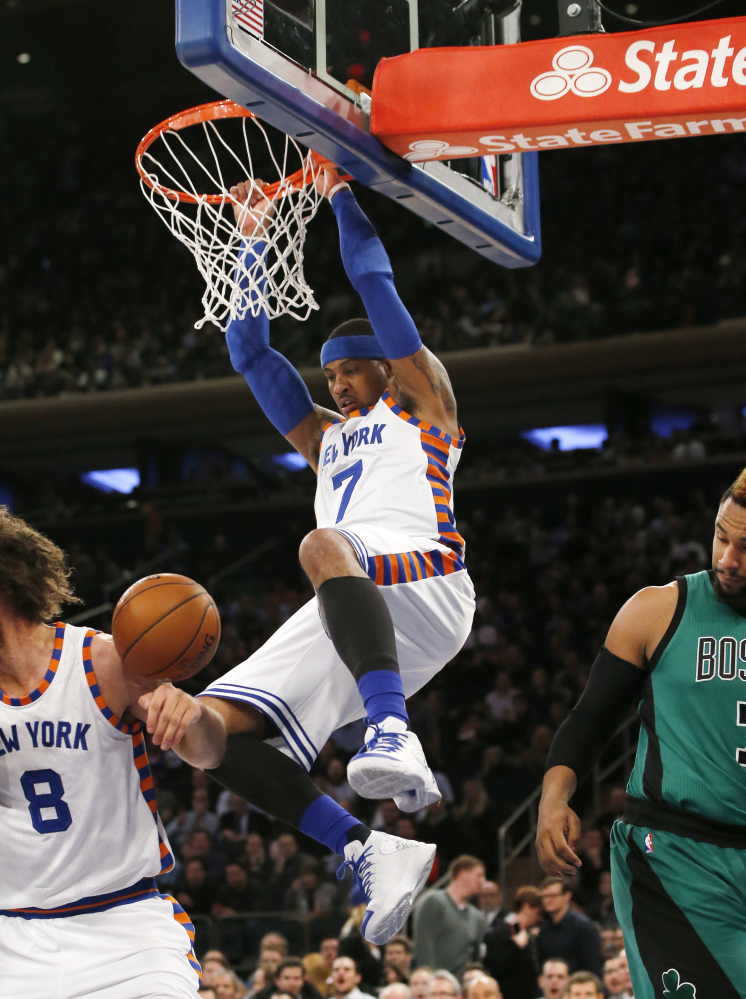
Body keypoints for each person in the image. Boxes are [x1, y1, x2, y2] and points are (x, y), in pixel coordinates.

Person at [159, 169, 476, 941]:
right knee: (205, 731)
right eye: (329, 375)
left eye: (349, 371)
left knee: (321, 544)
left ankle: (392, 728)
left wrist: (337, 191)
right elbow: (249, 350)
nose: (335, 385)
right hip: (351, 593)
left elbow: (373, 279)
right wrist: (254, 234)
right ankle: (367, 847)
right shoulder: (323, 442)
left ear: (387, 368)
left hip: (428, 574)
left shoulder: (425, 405)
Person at [537, 451, 746, 999]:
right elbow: (591, 718)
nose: (728, 557)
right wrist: (554, 799)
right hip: (675, 853)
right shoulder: (657, 609)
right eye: (721, 537)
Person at [0, 508, 201, 998]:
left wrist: (193, 716)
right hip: (14, 939)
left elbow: (210, 752)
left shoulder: (102, 660)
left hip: (126, 926)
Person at [412, 856, 487, 975]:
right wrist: (431, 981)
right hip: (435, 986)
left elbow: (475, 959)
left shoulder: (477, 916)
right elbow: (424, 946)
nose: (483, 881)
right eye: (479, 875)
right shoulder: (433, 901)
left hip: (462, 987)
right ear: (463, 874)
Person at [485, 885, 543, 999]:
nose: (539, 918)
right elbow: (493, 966)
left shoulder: (526, 932)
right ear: (526, 907)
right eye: (538, 913)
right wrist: (516, 947)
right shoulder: (503, 931)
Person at [536, 879, 601, 976]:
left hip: (577, 986)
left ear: (567, 896)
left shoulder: (583, 926)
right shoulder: (544, 928)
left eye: (553, 896)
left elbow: (592, 965)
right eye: (544, 896)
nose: (547, 900)